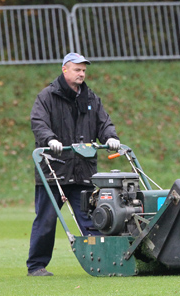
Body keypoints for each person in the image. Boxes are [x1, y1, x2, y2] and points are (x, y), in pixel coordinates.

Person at [27, 53, 121, 276]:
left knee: (92, 221)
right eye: (77, 70)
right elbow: (38, 123)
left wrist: (110, 137)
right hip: (54, 171)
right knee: (46, 221)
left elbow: (103, 123)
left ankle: (102, 263)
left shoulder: (90, 98)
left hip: (83, 171)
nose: (82, 74)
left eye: (84, 71)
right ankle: (36, 266)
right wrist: (50, 140)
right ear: (64, 70)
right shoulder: (47, 97)